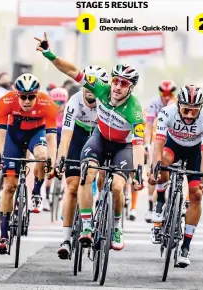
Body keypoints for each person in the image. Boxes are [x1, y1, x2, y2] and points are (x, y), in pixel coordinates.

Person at [35, 32, 145, 251]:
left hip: (122, 147)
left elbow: (139, 144)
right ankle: (86, 226)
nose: (116, 87)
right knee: (86, 175)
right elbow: (72, 71)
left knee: (116, 187)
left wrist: (139, 172)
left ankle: (115, 227)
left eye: (123, 84)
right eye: (115, 81)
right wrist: (49, 54)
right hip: (99, 139)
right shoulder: (100, 88)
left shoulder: (135, 110)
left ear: (130, 88)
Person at [0, 73, 58, 254]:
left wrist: (52, 162)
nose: (27, 101)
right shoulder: (5, 102)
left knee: (42, 156)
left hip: (36, 135)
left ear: (37, 94)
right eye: (23, 97)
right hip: (13, 137)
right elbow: (0, 135)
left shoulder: (48, 104)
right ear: (17, 94)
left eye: (31, 97)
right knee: (9, 187)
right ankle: (4, 236)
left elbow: (52, 139)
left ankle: (37, 191)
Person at [148, 85, 203, 266]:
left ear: (201, 108)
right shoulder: (166, 112)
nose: (189, 116)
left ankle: (186, 246)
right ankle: (160, 200)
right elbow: (158, 144)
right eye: (185, 110)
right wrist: (154, 168)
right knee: (162, 163)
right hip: (172, 147)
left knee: (196, 195)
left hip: (195, 152)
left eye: (194, 111)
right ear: (178, 106)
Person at [56, 65, 108, 259]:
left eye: (94, 88)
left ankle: (103, 214)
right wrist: (61, 158)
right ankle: (66, 239)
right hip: (78, 137)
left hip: (101, 138)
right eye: (87, 87)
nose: (90, 92)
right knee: (72, 186)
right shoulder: (74, 101)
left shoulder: (107, 100)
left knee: (103, 180)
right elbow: (66, 136)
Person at [144, 80, 177, 222]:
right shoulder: (154, 103)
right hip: (157, 139)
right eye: (164, 95)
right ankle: (151, 207)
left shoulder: (177, 103)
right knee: (154, 170)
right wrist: (147, 144)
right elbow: (149, 126)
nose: (167, 98)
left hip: (172, 141)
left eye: (170, 95)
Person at [43, 87, 69, 211]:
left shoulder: (69, 112)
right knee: (50, 164)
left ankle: (62, 187)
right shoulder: (47, 112)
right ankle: (47, 197)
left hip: (63, 140)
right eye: (55, 102)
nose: (58, 106)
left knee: (63, 163)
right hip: (51, 139)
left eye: (61, 103)